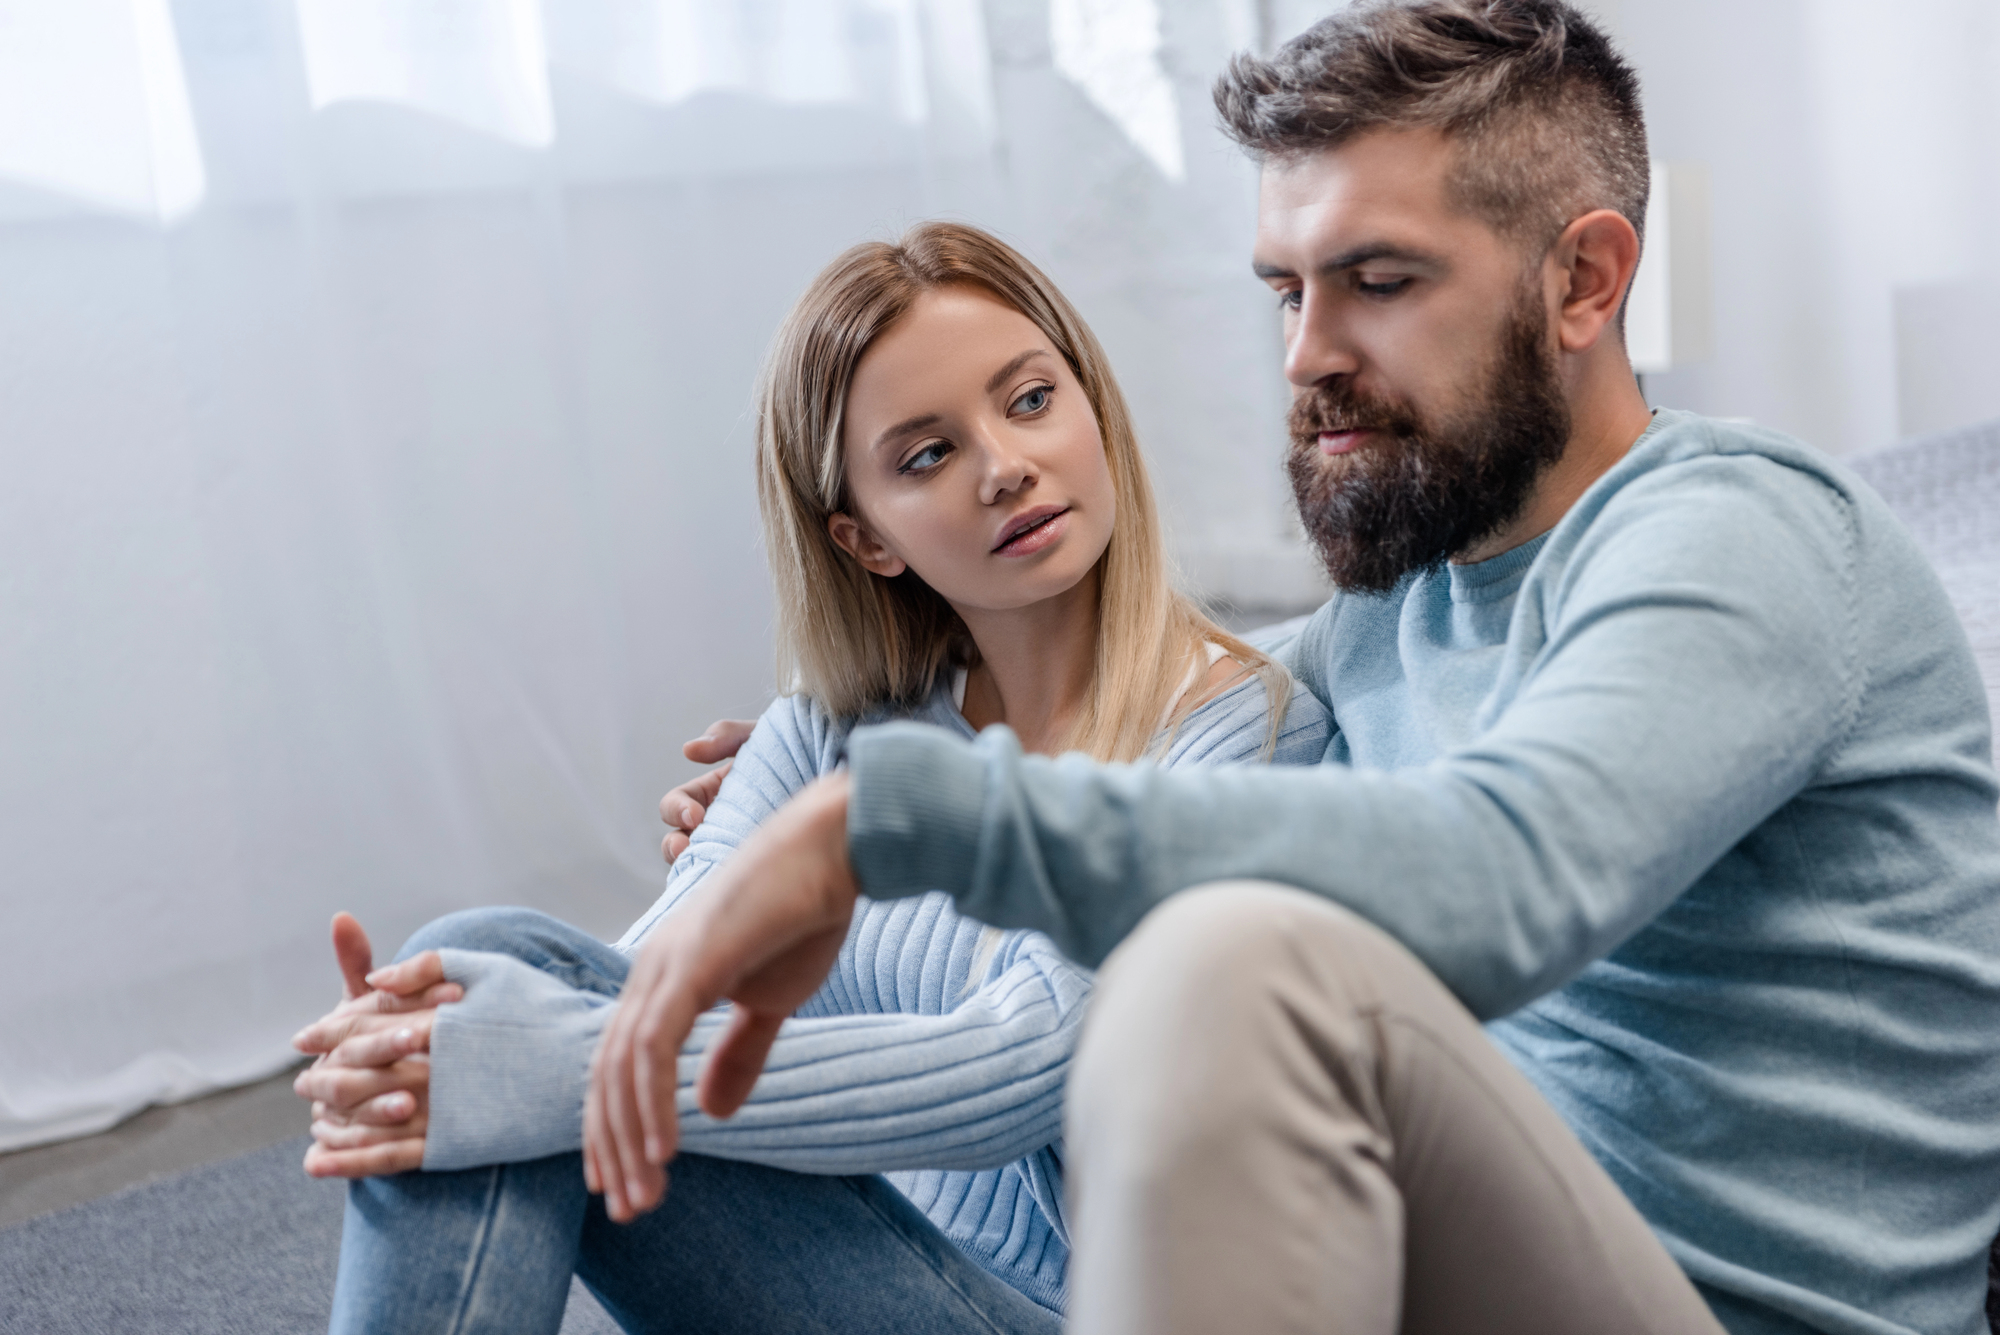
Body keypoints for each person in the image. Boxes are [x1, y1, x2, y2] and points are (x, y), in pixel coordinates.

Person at [595, 4, 2000, 1335]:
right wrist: (815, 789)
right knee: (495, 981)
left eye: (1377, 283)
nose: (1308, 354)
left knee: (1231, 960)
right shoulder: (1401, 609)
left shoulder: (1738, 534)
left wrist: (888, 823)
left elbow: (1503, 869)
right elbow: (1173, 706)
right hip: (1434, 1275)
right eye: (1285, 291)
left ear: (1583, 280)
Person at [289, 221, 1329, 1333]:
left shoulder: (1244, 733)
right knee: (486, 967)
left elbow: (1022, 1064)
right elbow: (642, 979)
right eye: (925, 455)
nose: (1004, 466)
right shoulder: (828, 732)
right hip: (855, 1267)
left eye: (1028, 399)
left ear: (1090, 407)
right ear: (865, 538)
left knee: (516, 1034)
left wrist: (539, 1065)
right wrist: (427, 1048)